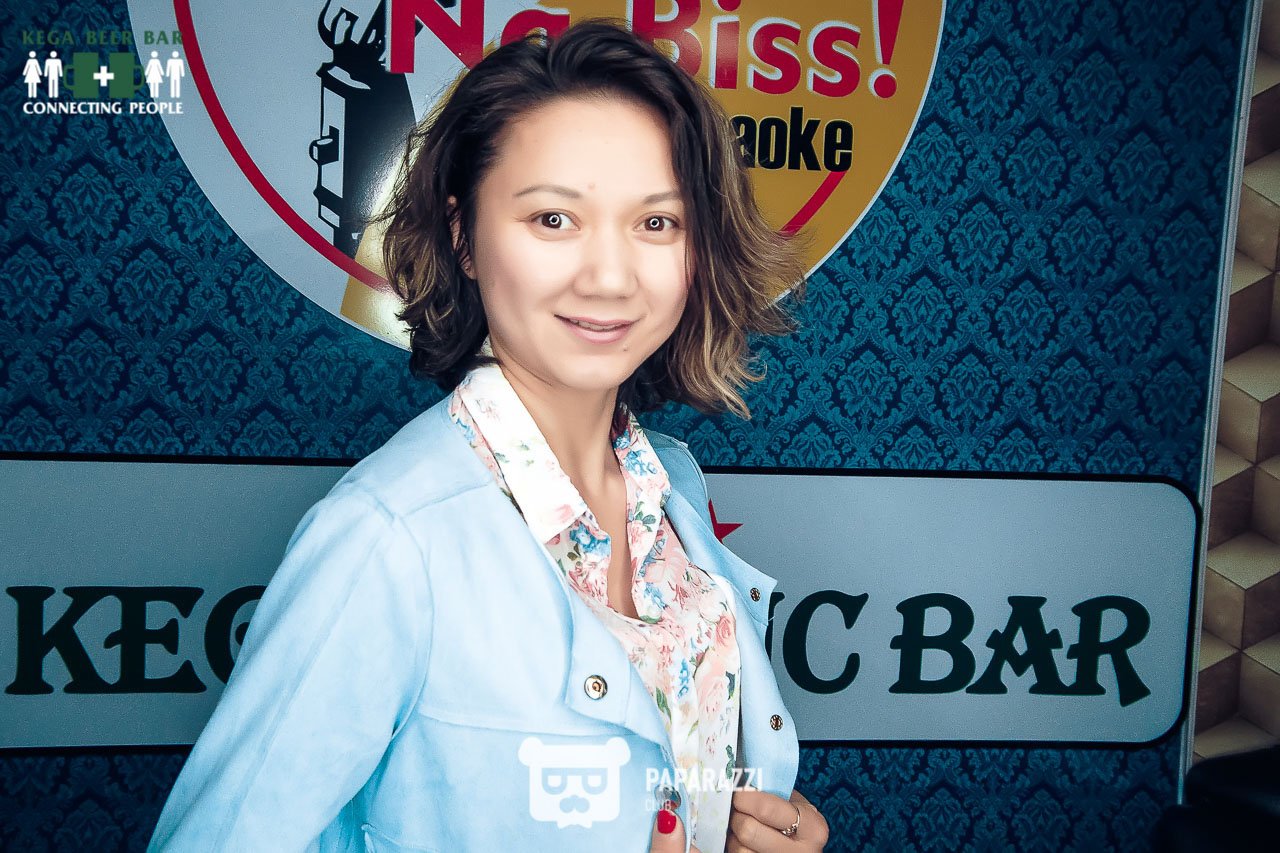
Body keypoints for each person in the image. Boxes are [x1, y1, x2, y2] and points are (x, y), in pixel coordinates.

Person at [149, 19, 826, 853]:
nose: (610, 276)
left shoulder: (674, 486)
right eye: (553, 219)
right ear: (464, 236)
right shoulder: (387, 539)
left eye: (657, 224)